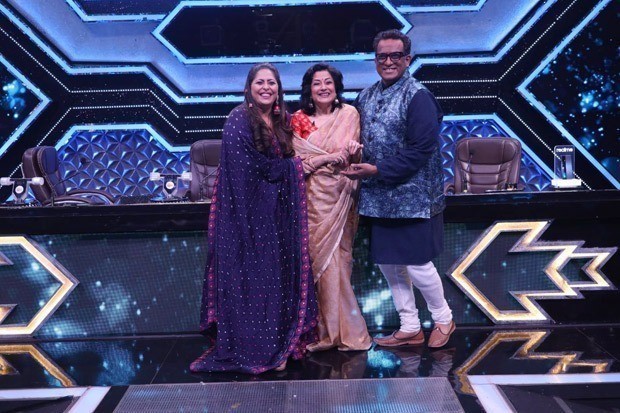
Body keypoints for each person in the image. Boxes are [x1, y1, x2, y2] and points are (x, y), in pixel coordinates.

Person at [190, 63, 318, 374]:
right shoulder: (238, 120)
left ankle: (281, 344)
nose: (266, 87)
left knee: (276, 280)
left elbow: (289, 156)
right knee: (254, 283)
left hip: (275, 215)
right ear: (249, 88)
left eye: (271, 83)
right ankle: (260, 351)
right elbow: (252, 169)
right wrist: (297, 168)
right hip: (245, 217)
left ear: (279, 89)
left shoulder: (280, 119)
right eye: (260, 82)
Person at [342, 30, 455, 348]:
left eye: (395, 56)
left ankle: (444, 319)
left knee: (418, 265)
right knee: (389, 264)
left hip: (413, 197)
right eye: (382, 56)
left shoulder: (418, 96)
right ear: (375, 60)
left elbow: (421, 150)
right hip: (379, 197)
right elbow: (359, 139)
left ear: (408, 59)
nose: (388, 62)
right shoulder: (366, 96)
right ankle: (410, 326)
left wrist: (377, 169)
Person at [290, 63, 372, 352]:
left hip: (341, 196)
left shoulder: (349, 114)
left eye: (328, 82)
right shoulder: (298, 120)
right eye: (317, 83)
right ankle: (322, 334)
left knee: (339, 263)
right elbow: (297, 164)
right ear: (309, 89)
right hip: (311, 201)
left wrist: (352, 153)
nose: (323, 87)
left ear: (337, 87)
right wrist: (327, 159)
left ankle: (348, 334)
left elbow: (353, 157)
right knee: (318, 266)